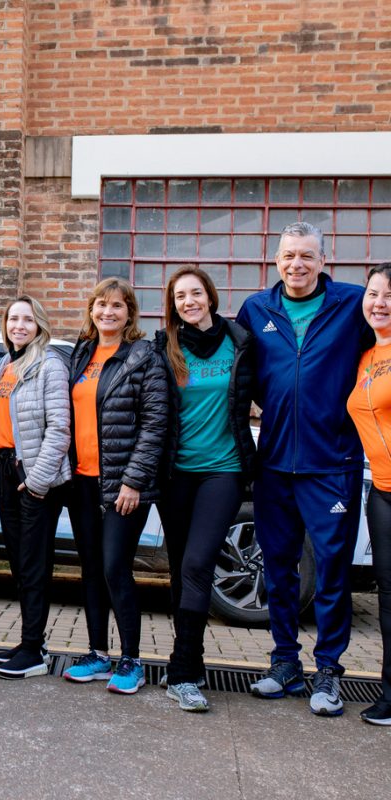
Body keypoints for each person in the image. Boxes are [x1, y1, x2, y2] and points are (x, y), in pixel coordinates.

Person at [236, 222, 372, 716]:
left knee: (333, 571)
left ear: (322, 259)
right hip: (273, 461)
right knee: (277, 568)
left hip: (332, 463)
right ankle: (285, 663)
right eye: (289, 255)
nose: (297, 264)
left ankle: (330, 672)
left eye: (307, 256)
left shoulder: (352, 304)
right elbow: (240, 375)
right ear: (276, 259)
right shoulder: (256, 309)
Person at [154, 267, 255, 711]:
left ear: (211, 297)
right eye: (180, 297)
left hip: (224, 470)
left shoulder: (241, 342)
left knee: (197, 563)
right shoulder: (163, 347)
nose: (189, 301)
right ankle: (191, 665)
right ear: (173, 305)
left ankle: (181, 672)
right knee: (180, 570)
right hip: (176, 474)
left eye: (196, 293)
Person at [62, 278, 167, 694]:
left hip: (123, 487)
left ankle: (131, 660)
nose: (108, 312)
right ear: (91, 310)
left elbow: (155, 424)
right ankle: (98, 653)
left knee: (114, 568)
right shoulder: (82, 354)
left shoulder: (144, 358)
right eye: (101, 305)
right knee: (89, 569)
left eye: (117, 306)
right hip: (83, 482)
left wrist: (134, 481)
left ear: (130, 314)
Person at [0, 296, 71, 679]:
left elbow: (60, 428)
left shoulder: (49, 364)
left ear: (39, 324)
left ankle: (34, 652)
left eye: (26, 319)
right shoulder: (7, 364)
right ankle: (30, 642)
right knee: (18, 560)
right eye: (12, 319)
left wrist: (37, 480)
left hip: (34, 475)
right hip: (7, 470)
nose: (18, 325)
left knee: (34, 563)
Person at [345, 263, 391, 726]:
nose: (379, 302)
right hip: (381, 491)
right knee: (389, 600)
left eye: (389, 295)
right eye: (374, 293)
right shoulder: (366, 356)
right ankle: (389, 693)